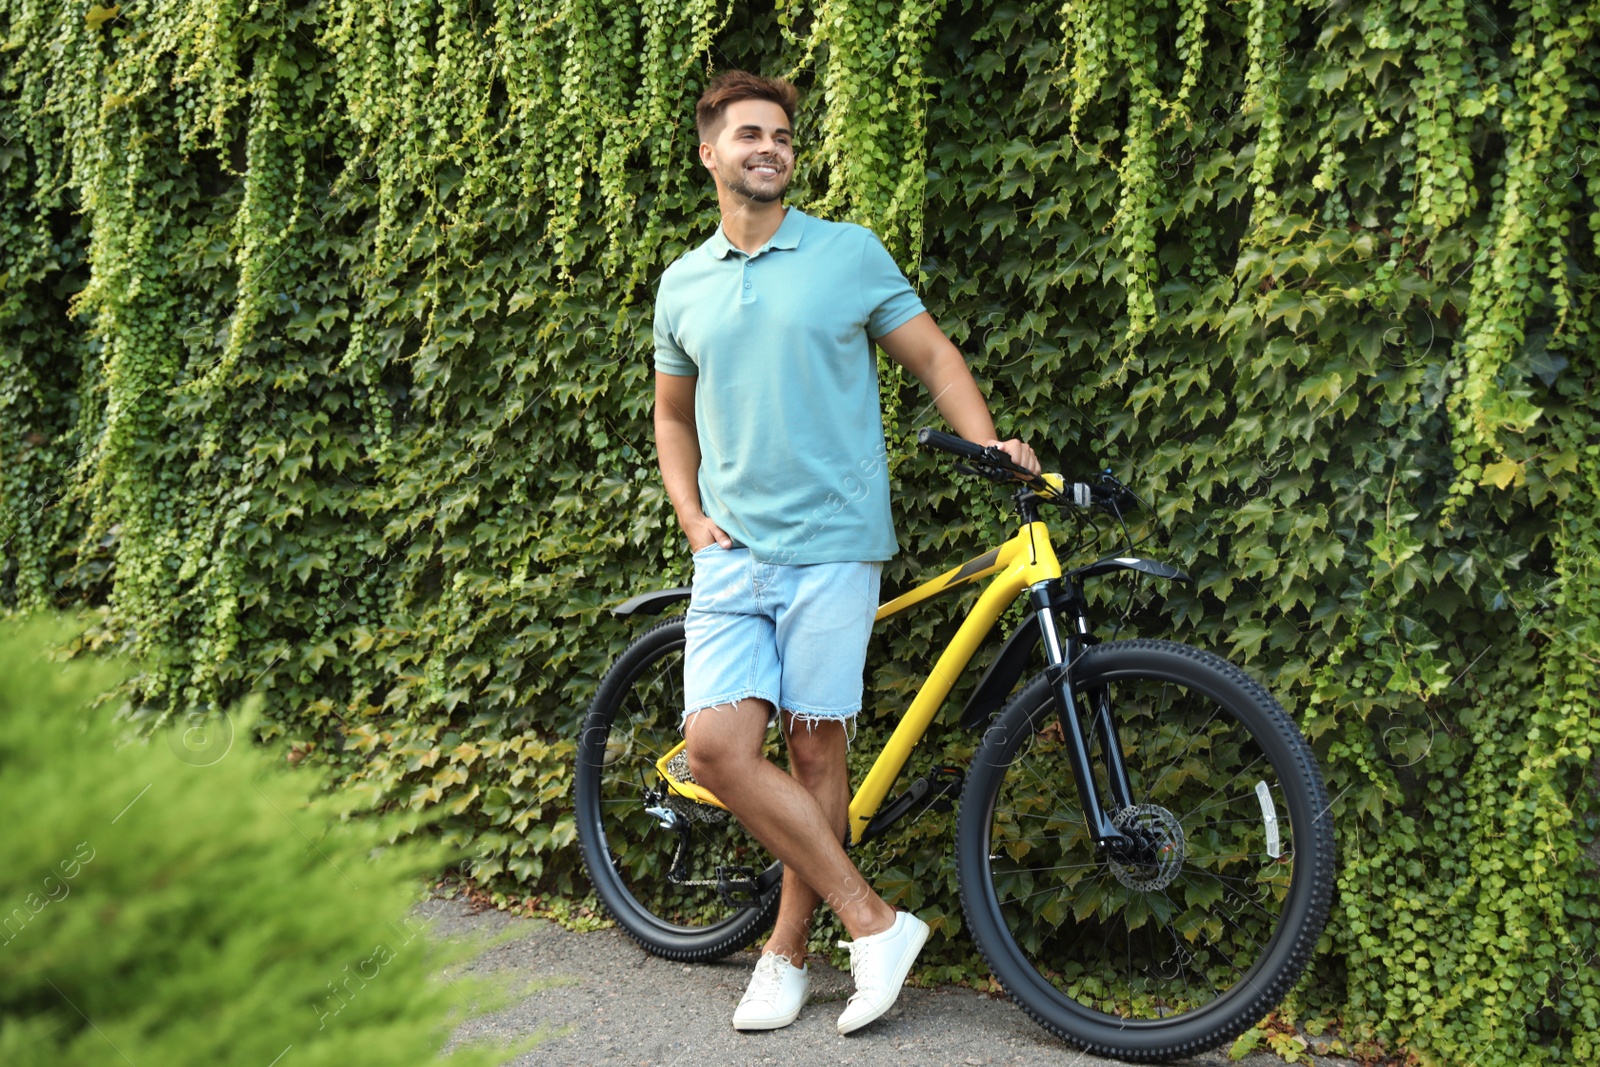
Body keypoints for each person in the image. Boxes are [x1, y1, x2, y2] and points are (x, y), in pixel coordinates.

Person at [651, 70, 1039, 1035]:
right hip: (733, 556)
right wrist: (692, 517)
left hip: (833, 543)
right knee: (714, 749)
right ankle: (872, 919)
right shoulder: (683, 283)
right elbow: (671, 413)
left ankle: (785, 954)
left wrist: (990, 444)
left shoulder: (847, 254)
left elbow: (935, 356)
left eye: (781, 135)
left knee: (816, 746)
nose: (769, 147)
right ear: (710, 153)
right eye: (749, 134)